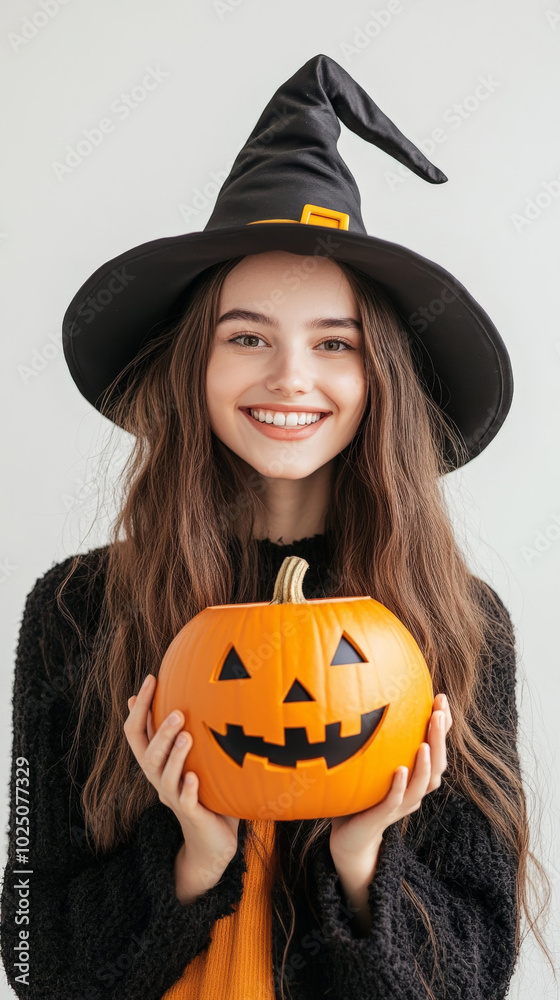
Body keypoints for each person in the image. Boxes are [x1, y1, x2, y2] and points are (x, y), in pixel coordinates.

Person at [1, 53, 552, 1000]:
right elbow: (28, 950)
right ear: (196, 365)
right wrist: (194, 856)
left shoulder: (461, 622)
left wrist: (363, 860)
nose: (290, 377)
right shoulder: (76, 610)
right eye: (247, 336)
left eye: (334, 343)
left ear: (378, 376)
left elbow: (476, 975)